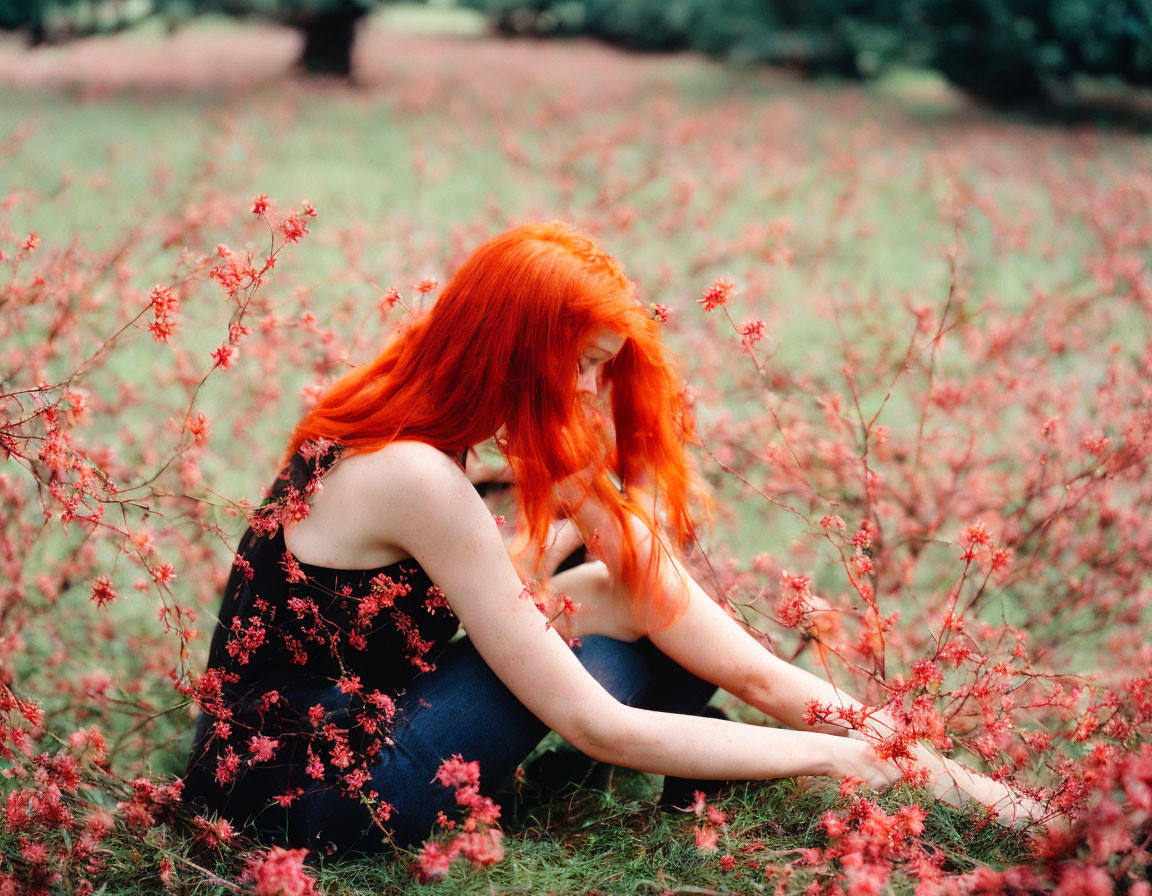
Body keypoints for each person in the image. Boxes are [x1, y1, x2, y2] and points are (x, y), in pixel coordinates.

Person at [182, 221, 1042, 858]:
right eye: (585, 364)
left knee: (633, 597)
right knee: (628, 625)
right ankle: (783, 762)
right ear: (511, 355)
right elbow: (597, 725)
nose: (595, 389)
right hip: (317, 798)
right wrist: (837, 759)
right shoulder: (414, 475)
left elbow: (691, 618)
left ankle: (973, 792)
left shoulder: (417, 411)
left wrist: (585, 477)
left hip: (357, 725)